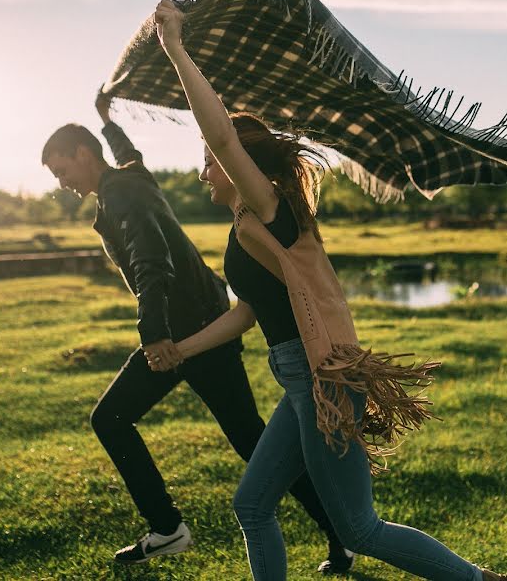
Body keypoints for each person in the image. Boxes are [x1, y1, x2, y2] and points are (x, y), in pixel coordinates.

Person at [149, 0, 507, 581]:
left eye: (210, 161)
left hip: (322, 377)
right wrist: (184, 349)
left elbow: (223, 136)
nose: (204, 171)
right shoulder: (250, 229)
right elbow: (250, 312)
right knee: (252, 505)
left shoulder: (268, 207)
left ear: (243, 166)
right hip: (300, 378)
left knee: (358, 529)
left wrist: (176, 48)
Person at [38, 96, 355, 573]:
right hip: (200, 320)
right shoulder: (131, 178)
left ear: (83, 155)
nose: (61, 182)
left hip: (191, 329)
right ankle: (336, 533)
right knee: (248, 438)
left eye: (61, 169)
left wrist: (154, 336)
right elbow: (130, 156)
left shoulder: (121, 195)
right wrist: (108, 122)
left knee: (112, 419)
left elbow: (150, 263)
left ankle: (169, 529)